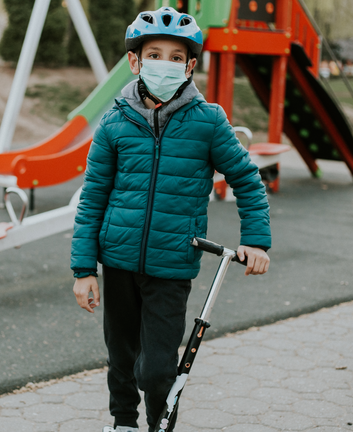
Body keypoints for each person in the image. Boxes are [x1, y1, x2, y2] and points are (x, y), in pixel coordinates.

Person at [70, 7, 271, 432]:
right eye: (154, 54)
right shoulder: (113, 123)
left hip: (172, 264)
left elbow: (247, 181)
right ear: (135, 61)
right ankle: (123, 423)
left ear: (190, 65)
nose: (165, 63)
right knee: (121, 358)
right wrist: (84, 269)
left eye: (175, 57)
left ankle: (161, 426)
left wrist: (256, 240)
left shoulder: (209, 122)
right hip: (118, 261)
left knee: (157, 371)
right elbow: (92, 199)